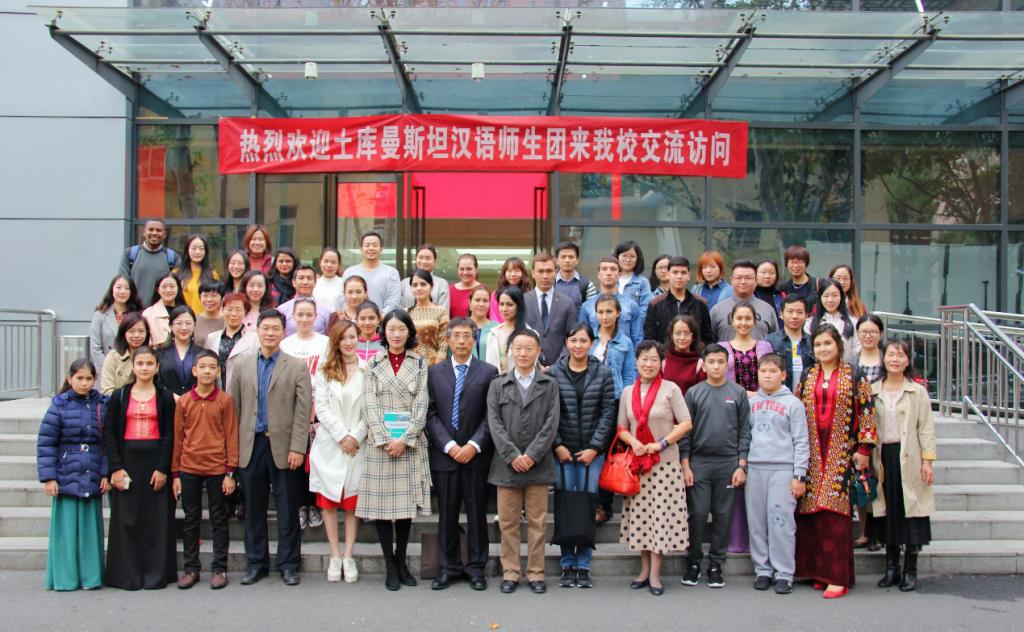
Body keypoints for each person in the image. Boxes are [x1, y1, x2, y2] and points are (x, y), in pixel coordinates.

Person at [227, 310, 313, 587]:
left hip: (285, 447)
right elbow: (233, 409)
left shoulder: (296, 366)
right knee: (253, 509)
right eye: (266, 328)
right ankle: (256, 563)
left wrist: (298, 447)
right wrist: (234, 451)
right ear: (258, 330)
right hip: (251, 445)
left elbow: (303, 411)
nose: (270, 333)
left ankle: (288, 564)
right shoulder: (241, 365)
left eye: (276, 328)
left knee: (288, 508)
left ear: (283, 332)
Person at [795, 325, 876, 599]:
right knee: (811, 512)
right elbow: (797, 408)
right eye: (818, 344)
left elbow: (867, 410)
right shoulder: (808, 374)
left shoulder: (853, 375)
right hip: (811, 452)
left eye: (827, 343)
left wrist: (864, 448)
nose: (823, 349)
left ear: (838, 345)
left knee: (835, 513)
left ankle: (837, 577)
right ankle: (818, 572)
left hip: (841, 452)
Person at [357, 309, 432, 591]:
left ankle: (401, 562)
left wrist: (406, 438)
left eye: (401, 329)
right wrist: (385, 438)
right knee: (381, 509)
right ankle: (389, 565)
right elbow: (368, 404)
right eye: (391, 329)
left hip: (408, 444)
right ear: (383, 332)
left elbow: (422, 403)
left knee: (403, 510)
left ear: (409, 331)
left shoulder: (419, 363)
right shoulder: (373, 364)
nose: (396, 334)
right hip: (382, 445)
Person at [426, 318, 500, 591]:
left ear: (474, 339)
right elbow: (430, 413)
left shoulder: (488, 372)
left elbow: (491, 414)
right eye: (456, 335)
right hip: (445, 456)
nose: (461, 341)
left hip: (476, 456)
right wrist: (448, 445)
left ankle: (476, 567)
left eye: (466, 335)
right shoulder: (435, 372)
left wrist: (473, 445)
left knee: (477, 514)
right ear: (447, 340)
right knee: (446, 514)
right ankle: (448, 567)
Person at [617, 340, 692, 597]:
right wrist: (634, 443)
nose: (648, 364)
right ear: (636, 362)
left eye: (654, 359)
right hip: (637, 464)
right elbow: (621, 427)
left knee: (659, 518)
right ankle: (644, 570)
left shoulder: (671, 389)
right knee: (642, 518)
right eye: (644, 359)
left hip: (664, 464)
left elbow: (686, 423)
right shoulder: (628, 391)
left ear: (662, 363)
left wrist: (661, 444)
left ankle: (655, 575)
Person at [487, 329, 559, 595]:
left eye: (529, 348)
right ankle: (511, 572)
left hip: (538, 465)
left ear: (538, 351)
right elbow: (494, 423)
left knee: (538, 524)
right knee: (508, 523)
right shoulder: (498, 384)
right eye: (518, 348)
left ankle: (536, 572)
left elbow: (551, 423)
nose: (523, 353)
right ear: (510, 352)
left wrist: (532, 455)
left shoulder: (549, 384)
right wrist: (512, 455)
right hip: (506, 466)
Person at [103, 346, 177, 590]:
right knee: (128, 520)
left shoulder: (165, 397)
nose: (145, 368)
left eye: (149, 364)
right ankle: (128, 575)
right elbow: (110, 433)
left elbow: (170, 435)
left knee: (156, 520)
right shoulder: (119, 396)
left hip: (155, 464)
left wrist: (163, 468)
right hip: (127, 463)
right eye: (140, 363)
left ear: (157, 367)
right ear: (133, 367)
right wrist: (115, 468)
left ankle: (156, 574)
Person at [549, 323, 616, 589]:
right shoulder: (554, 373)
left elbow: (607, 413)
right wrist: (557, 445)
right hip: (562, 452)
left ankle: (584, 564)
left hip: (591, 453)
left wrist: (595, 447)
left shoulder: (603, 373)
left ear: (592, 343)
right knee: (565, 505)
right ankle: (567, 564)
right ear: (566, 342)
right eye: (573, 340)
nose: (578, 345)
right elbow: (549, 413)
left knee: (588, 505)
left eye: (583, 341)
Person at [680, 343, 751, 590]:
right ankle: (693, 561)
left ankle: (716, 565)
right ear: (704, 364)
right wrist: (686, 465)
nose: (717, 366)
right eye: (711, 362)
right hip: (699, 462)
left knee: (723, 516)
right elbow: (685, 433)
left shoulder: (738, 393)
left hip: (728, 462)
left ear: (728, 363)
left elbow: (745, 431)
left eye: (721, 361)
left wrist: (741, 464)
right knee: (698, 514)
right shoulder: (694, 393)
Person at [37, 359, 109, 591]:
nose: (84, 383)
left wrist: (105, 473)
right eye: (79, 378)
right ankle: (65, 578)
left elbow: (108, 443)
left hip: (92, 472)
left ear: (95, 380)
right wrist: (49, 478)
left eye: (88, 378)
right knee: (65, 531)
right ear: (70, 379)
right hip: (65, 474)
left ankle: (91, 577)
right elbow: (46, 443)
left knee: (90, 530)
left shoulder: (102, 405)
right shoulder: (59, 405)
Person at [171, 349, 239, 590]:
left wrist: (230, 472)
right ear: (194, 370)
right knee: (191, 519)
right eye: (203, 367)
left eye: (212, 367)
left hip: (217, 467)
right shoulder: (184, 401)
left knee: (219, 519)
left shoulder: (224, 400)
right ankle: (191, 568)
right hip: (189, 466)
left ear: (218, 371)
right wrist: (175, 473)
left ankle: (219, 568)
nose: (207, 371)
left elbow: (231, 435)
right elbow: (178, 437)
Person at [871, 340, 935, 593]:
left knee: (911, 512)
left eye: (900, 355)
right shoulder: (873, 390)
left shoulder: (917, 392)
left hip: (909, 457)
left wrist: (928, 461)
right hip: (883, 457)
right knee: (888, 511)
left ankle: (910, 569)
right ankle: (891, 568)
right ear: (883, 358)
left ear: (908, 360)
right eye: (890, 354)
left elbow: (926, 428)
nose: (895, 359)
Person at [745, 353, 809, 595]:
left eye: (773, 371)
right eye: (763, 371)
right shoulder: (751, 402)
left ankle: (784, 573)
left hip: (783, 469)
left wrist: (799, 475)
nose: (767, 376)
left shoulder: (793, 404)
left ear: (783, 375)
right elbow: (745, 436)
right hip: (755, 468)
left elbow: (801, 441)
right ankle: (762, 570)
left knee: (781, 522)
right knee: (757, 522)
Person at [311, 320, 367, 584]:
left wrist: (355, 436)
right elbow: (321, 407)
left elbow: (371, 407)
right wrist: (342, 436)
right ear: (335, 341)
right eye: (343, 338)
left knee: (352, 503)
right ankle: (335, 554)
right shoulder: (324, 370)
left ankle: (348, 555)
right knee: (329, 502)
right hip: (331, 444)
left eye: (352, 337)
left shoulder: (368, 370)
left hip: (357, 444)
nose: (348, 342)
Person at [280, 297, 330, 531]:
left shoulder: (325, 343)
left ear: (316, 317)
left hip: (319, 409)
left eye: (309, 314)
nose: (304, 319)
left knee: (316, 458)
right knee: (297, 458)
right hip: (292, 410)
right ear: (292, 317)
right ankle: (301, 505)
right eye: (300, 314)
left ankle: (315, 504)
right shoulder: (285, 345)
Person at [851, 313, 886, 550]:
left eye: (873, 331)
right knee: (862, 480)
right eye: (864, 332)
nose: (868, 336)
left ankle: (881, 531)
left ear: (880, 334)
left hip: (886, 423)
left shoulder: (888, 359)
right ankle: (864, 532)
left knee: (881, 479)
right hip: (860, 427)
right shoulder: (851, 362)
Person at [644, 256, 714, 346]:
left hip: (695, 353)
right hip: (665, 353)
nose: (679, 276)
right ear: (668, 274)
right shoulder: (655, 304)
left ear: (689, 275)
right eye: (675, 272)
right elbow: (649, 339)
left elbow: (707, 338)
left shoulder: (700, 303)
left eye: (683, 272)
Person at [524, 253, 575, 368]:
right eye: (540, 271)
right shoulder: (522, 302)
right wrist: (536, 365)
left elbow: (571, 338)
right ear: (533, 273)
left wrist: (556, 366)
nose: (545, 276)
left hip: (560, 369)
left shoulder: (567, 303)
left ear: (556, 272)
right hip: (530, 367)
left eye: (549, 271)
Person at [580, 256, 643, 348]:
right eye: (604, 269)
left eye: (613, 269)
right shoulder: (586, 306)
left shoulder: (631, 305)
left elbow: (637, 339)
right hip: (595, 355)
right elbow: (583, 337)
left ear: (619, 275)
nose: (608, 273)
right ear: (598, 274)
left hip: (624, 354)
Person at [710, 260, 780, 341]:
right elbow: (710, 342)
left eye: (748, 278)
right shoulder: (717, 310)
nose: (743, 282)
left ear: (756, 281)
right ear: (731, 280)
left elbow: (775, 342)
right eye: (739, 278)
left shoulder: (767, 309)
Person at [118, 219, 181, 308]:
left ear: (164, 234)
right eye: (151, 229)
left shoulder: (173, 258)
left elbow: (177, 290)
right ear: (144, 232)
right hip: (134, 311)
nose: (154, 233)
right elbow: (122, 285)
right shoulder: (129, 254)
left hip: (162, 313)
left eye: (158, 230)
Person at [204, 293, 258, 389]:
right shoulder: (212, 338)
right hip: (217, 390)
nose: (233, 314)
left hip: (244, 389)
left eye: (238, 310)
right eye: (229, 309)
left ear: (245, 312)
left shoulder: (255, 339)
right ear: (222, 310)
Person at [341, 231, 401, 314]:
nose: (371, 248)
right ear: (361, 249)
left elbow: (394, 301)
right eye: (367, 245)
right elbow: (342, 299)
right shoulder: (349, 272)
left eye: (375, 245)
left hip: (382, 320)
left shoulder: (391, 273)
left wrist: (380, 317)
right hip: (353, 320)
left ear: (381, 248)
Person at [721, 303, 775, 395]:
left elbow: (772, 375)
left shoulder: (765, 346)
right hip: (730, 399)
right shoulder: (722, 348)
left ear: (754, 321)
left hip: (761, 399)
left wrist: (757, 395)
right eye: (739, 318)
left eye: (748, 318)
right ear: (732, 321)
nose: (743, 323)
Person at [90, 275, 142, 370]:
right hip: (105, 370)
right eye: (119, 287)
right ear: (112, 290)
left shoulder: (138, 315)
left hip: (131, 370)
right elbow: (95, 349)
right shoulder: (100, 315)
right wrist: (108, 369)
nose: (122, 291)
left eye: (126, 288)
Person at [766, 295, 815, 393]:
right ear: (781, 314)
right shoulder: (769, 341)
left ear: (806, 315)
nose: (795, 316)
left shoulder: (813, 341)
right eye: (790, 311)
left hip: (807, 395)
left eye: (800, 312)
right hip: (779, 396)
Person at [805, 279, 860, 363]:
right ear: (820, 298)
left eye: (835, 295)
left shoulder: (853, 323)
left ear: (841, 297)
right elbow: (809, 352)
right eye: (826, 296)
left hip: (847, 369)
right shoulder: (809, 323)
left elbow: (856, 352)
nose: (830, 300)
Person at [484, 286, 534, 374]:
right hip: (494, 381)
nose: (504, 309)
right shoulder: (493, 333)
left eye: (509, 304)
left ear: (519, 306)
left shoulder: (530, 334)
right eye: (501, 304)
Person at [155, 306, 200, 401]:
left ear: (194, 325)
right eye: (179, 323)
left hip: (195, 405)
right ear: (171, 326)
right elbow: (155, 382)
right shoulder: (160, 354)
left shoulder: (202, 354)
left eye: (188, 323)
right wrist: (172, 396)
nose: (184, 328)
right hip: (167, 404)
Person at [100, 312, 150, 396]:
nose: (136, 335)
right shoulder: (113, 357)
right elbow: (107, 391)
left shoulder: (153, 356)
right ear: (124, 333)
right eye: (131, 331)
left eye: (141, 331)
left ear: (147, 333)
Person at [407, 269, 450, 365]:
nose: (419, 288)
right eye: (415, 285)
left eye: (423, 284)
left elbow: (443, 342)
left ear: (431, 286)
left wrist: (438, 367)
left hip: (434, 366)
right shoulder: (406, 312)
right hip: (409, 367)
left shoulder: (441, 311)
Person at [277, 265, 332, 336]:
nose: (305, 282)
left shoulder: (326, 311)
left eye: (309, 278)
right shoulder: (282, 310)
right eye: (301, 278)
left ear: (315, 282)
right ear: (293, 282)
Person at [662, 315, 707, 398]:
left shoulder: (700, 364)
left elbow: (703, 394)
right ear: (671, 335)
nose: (682, 338)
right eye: (678, 333)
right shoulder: (662, 361)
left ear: (693, 336)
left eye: (686, 333)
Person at [175, 234, 219, 314]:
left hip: (206, 319)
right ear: (187, 250)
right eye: (194, 248)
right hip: (184, 319)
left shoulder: (213, 275)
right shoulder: (176, 274)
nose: (197, 252)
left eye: (201, 248)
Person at [401, 244, 450, 311]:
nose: (423, 261)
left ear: (434, 261)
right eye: (420, 258)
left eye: (428, 258)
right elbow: (400, 309)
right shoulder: (405, 283)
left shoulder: (441, 283)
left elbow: (444, 310)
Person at [614, 240, 653, 323]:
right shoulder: (611, 279)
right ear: (617, 257)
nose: (628, 259)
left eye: (632, 256)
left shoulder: (643, 282)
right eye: (624, 256)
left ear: (637, 259)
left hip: (634, 328)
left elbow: (645, 310)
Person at [142, 273, 185, 347]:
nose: (168, 290)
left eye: (172, 286)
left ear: (178, 288)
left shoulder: (186, 313)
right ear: (158, 289)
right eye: (164, 287)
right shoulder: (148, 314)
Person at [554, 241, 597, 311]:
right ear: (557, 261)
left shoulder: (588, 285)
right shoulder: (550, 284)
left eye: (571, 257)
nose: (567, 260)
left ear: (577, 260)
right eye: (563, 257)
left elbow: (591, 313)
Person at [489, 256, 533, 321]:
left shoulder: (529, 294)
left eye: (517, 271)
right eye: (509, 271)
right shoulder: (496, 294)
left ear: (523, 273)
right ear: (504, 273)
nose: (513, 274)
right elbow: (494, 318)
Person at [449, 253, 484, 319]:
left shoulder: (483, 289)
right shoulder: (449, 290)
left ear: (476, 269)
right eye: (462, 269)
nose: (465, 272)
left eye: (469, 269)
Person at [469, 285, 497, 362]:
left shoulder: (497, 329)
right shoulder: (459, 326)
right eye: (477, 300)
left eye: (485, 301)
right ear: (470, 302)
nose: (481, 304)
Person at [194, 280, 225, 345]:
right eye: (205, 295)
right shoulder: (193, 320)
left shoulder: (227, 321)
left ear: (221, 298)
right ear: (200, 297)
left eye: (214, 295)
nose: (209, 299)